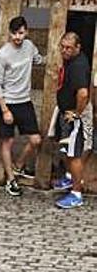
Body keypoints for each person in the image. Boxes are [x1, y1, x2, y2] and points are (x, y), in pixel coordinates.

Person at [0, 16, 43, 197]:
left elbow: (38, 59)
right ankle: (10, 180)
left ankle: (19, 165)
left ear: (26, 32)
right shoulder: (3, 54)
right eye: (14, 33)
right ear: (9, 33)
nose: (17, 37)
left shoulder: (29, 46)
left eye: (21, 33)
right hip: (8, 102)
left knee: (36, 139)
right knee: (8, 141)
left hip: (24, 101)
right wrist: (4, 109)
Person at [48, 32, 91, 209]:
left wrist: (76, 113)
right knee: (66, 148)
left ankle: (76, 193)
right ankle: (68, 177)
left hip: (75, 117)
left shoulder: (78, 66)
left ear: (78, 48)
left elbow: (83, 94)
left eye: (69, 48)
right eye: (63, 47)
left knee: (74, 154)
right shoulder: (71, 60)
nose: (64, 51)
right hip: (65, 112)